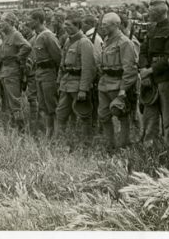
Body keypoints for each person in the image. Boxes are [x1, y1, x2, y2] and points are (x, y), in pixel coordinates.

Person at [139, 1, 169, 144]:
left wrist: (149, 71)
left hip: (165, 78)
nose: (148, 14)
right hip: (150, 78)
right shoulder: (152, 29)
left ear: (160, 13)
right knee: (150, 114)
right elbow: (143, 51)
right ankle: (149, 146)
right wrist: (144, 69)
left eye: (151, 12)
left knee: (168, 116)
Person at [97, 13, 138, 149]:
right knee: (103, 115)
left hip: (117, 84)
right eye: (102, 24)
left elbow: (130, 69)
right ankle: (110, 145)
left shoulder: (125, 42)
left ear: (116, 25)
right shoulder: (107, 40)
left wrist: (123, 89)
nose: (102, 27)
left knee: (121, 114)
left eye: (105, 25)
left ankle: (123, 145)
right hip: (104, 83)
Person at [57, 13, 97, 141]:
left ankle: (86, 143)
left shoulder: (84, 42)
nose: (65, 27)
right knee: (61, 113)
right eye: (64, 24)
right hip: (66, 84)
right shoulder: (69, 40)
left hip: (78, 85)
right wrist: (59, 82)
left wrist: (83, 89)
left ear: (77, 26)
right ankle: (61, 142)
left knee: (84, 115)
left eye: (68, 25)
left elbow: (88, 68)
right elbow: (62, 64)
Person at [28, 9, 62, 138]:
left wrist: (58, 78)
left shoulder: (48, 36)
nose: (28, 22)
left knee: (52, 105)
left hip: (49, 74)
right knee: (44, 106)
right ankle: (49, 134)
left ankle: (57, 135)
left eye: (30, 19)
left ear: (37, 20)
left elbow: (58, 58)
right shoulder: (37, 36)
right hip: (40, 74)